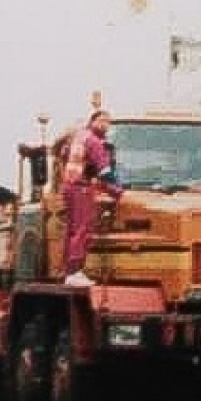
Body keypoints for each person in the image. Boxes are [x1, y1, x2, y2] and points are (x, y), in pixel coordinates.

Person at [60, 109, 122, 286]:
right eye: (102, 121)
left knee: (72, 230)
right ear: (93, 121)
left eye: (108, 122)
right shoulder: (94, 142)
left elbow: (65, 156)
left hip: (70, 186)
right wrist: (117, 190)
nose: (105, 125)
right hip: (81, 188)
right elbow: (105, 171)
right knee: (82, 229)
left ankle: (68, 271)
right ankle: (75, 271)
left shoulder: (78, 137)